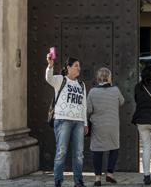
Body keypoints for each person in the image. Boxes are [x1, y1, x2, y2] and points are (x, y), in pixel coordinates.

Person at [46, 54, 88, 187]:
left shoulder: (81, 84)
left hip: (78, 122)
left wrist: (85, 123)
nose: (78, 69)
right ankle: (58, 181)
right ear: (68, 68)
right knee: (61, 151)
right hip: (63, 120)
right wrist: (50, 65)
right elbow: (48, 78)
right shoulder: (60, 80)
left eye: (79, 66)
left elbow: (84, 105)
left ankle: (78, 181)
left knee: (79, 154)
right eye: (76, 66)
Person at [87, 68, 125, 186]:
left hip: (98, 126)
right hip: (112, 125)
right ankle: (109, 174)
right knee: (114, 148)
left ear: (98, 79)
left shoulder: (92, 92)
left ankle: (98, 179)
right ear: (109, 78)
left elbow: (88, 109)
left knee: (97, 150)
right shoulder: (115, 90)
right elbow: (122, 102)